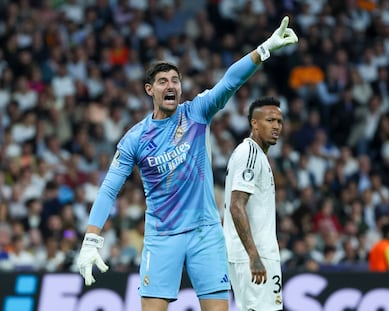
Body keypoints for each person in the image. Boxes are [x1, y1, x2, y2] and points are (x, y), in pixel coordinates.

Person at [76, 16, 298, 311]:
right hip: (161, 237)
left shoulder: (196, 113)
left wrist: (265, 48)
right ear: (149, 90)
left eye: (175, 80)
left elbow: (230, 80)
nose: (171, 85)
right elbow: (109, 188)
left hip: (205, 233)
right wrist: (92, 238)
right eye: (163, 81)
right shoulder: (135, 138)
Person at [223, 96, 285, 310]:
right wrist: (253, 256)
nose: (276, 126)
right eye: (270, 120)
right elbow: (236, 205)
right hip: (253, 257)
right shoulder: (249, 154)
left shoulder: (258, 155)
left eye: (279, 121)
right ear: (254, 123)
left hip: (260, 254)